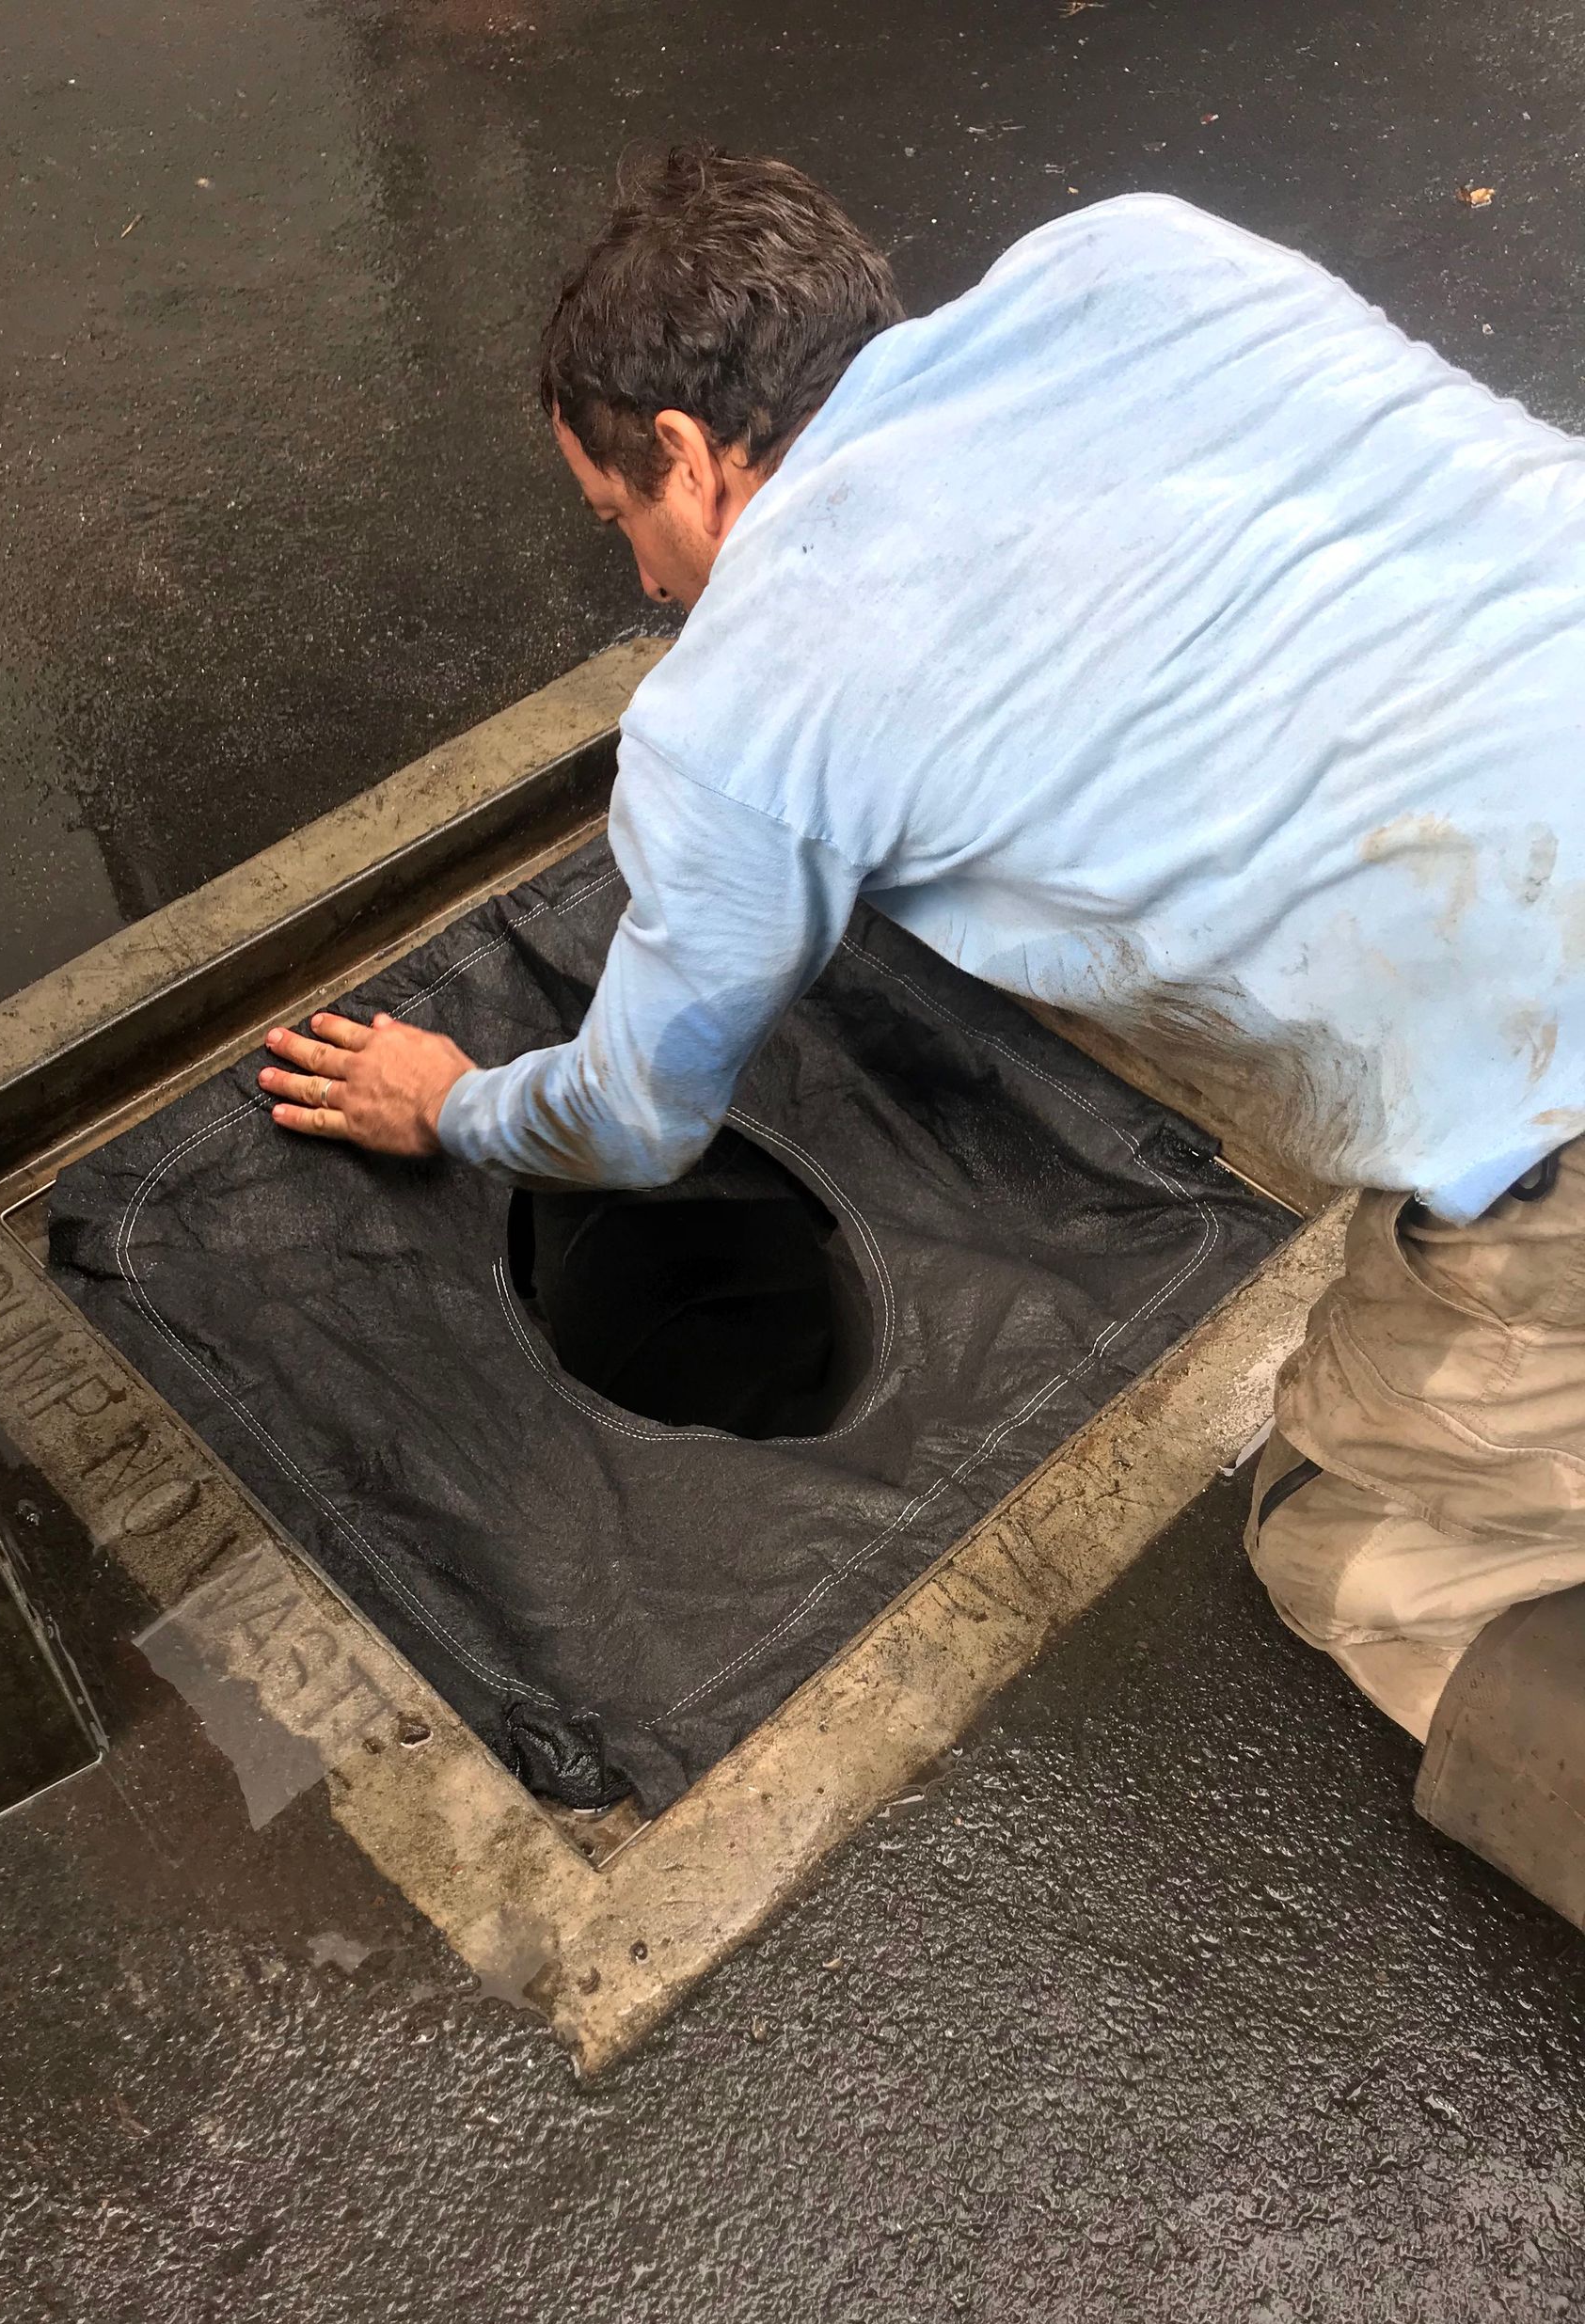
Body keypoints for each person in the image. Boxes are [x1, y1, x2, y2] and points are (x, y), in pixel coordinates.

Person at [259, 146, 1585, 1766]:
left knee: (1342, 1538)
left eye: (622, 518)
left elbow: (634, 1125)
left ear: (686, 452)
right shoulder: (1142, 249)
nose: (643, 577)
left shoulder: (737, 717)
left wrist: (448, 1104)